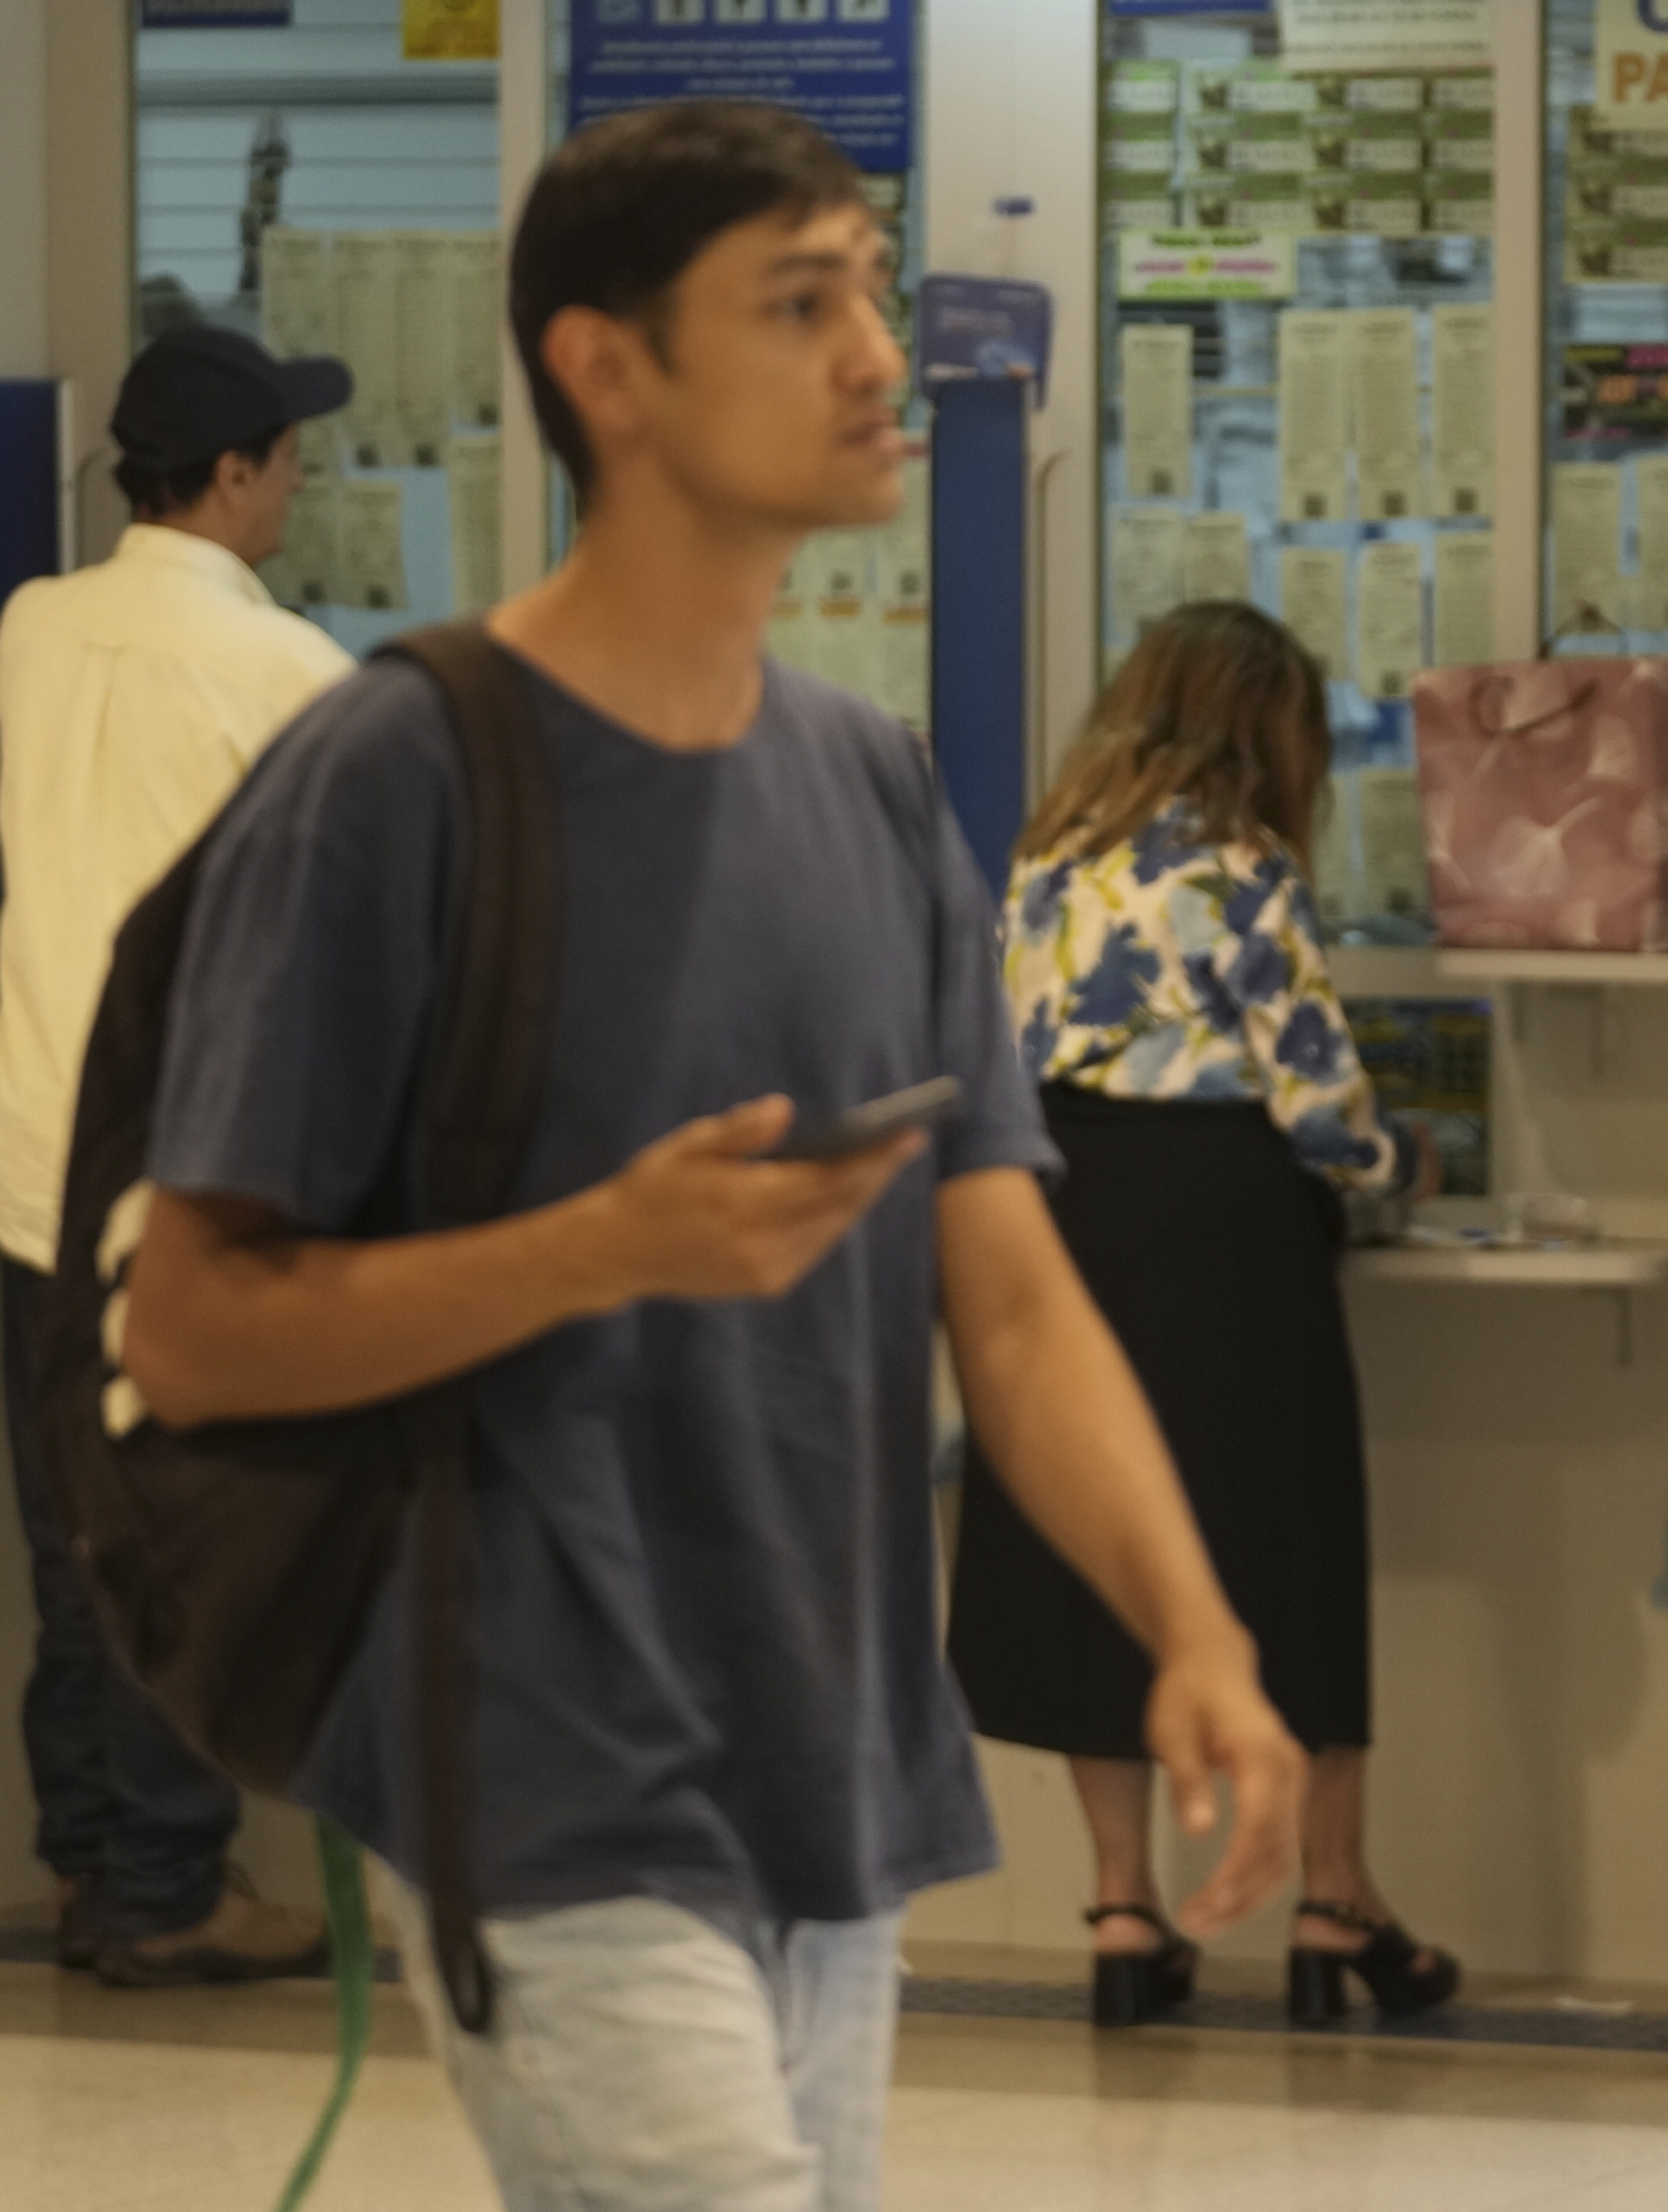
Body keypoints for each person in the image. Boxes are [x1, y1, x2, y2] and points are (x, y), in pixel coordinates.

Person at [113, 104, 1303, 2212]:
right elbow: (195, 1327)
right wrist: (591, 1251)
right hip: (532, 1754)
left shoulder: (872, 791)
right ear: (607, 369)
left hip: (828, 1760)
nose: (873, 353)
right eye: (797, 302)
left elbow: (1013, 1303)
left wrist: (1193, 1635)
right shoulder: (406, 769)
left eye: (869, 286)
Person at [945, 599, 1462, 2030]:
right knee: (1291, 1559)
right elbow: (1320, 1108)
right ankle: (1331, 1902)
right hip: (1224, 1232)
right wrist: (1405, 1168)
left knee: (1092, 1555)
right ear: (1267, 735)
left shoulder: (1042, 871)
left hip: (1059, 1214)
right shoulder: (1246, 873)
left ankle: (1123, 1910)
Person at [0, 324, 355, 1987]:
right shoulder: (288, 673)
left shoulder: (34, 629)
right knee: (179, 1534)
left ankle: (90, 1865)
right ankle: (164, 1893)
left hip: (33, 1163)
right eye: (287, 455)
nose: (301, 480)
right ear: (227, 476)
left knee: (74, 1528)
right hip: (185, 1174)